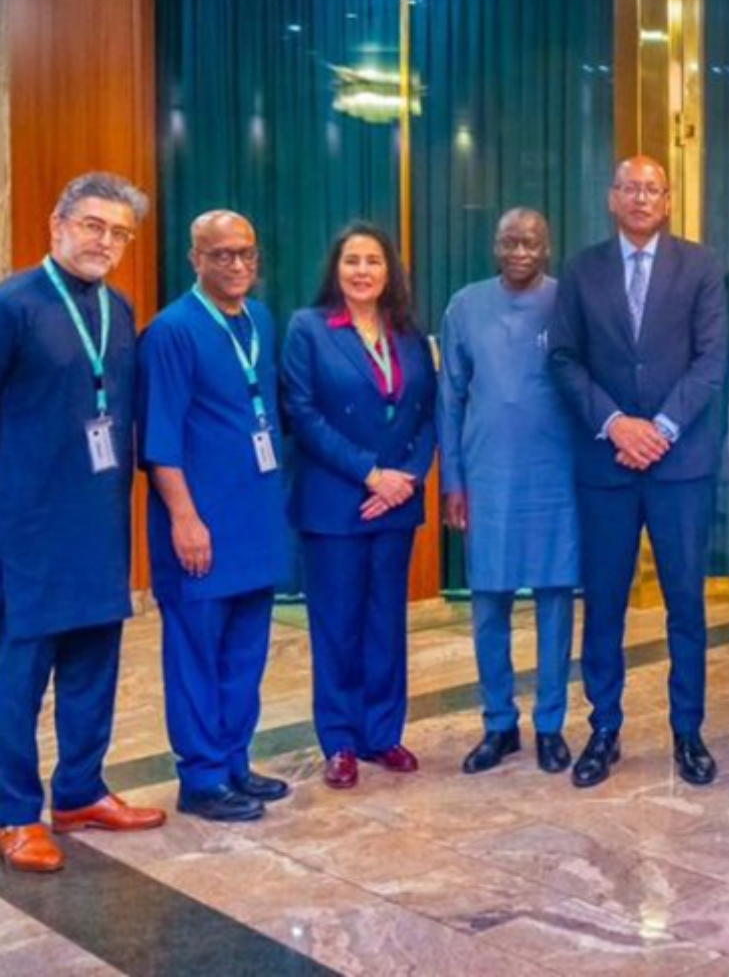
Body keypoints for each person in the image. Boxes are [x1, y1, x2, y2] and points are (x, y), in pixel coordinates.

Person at [0, 173, 167, 873]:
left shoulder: (119, 308)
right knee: (18, 677)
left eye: (119, 233)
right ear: (57, 223)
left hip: (99, 522)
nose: (106, 242)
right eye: (93, 225)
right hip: (26, 528)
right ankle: (14, 814)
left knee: (95, 663)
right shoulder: (14, 304)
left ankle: (79, 792)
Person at [549, 156, 728, 789]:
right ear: (612, 198)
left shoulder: (700, 266)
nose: (641, 198)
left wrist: (662, 428)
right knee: (604, 603)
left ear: (668, 200)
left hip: (681, 467)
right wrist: (616, 423)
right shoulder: (582, 269)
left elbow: (711, 360)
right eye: (630, 187)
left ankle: (688, 731)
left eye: (652, 189)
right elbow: (564, 359)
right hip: (607, 464)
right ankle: (604, 728)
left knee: (686, 603)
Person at [140, 210, 294, 822]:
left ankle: (234, 762)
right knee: (196, 655)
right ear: (195, 259)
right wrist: (184, 517)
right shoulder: (172, 331)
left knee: (245, 653)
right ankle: (201, 777)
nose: (237, 265)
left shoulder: (259, 319)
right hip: (200, 525)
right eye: (222, 254)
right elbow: (159, 439)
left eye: (246, 253)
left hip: (254, 518)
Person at [283, 222, 438, 791]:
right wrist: (370, 474)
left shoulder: (409, 334)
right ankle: (341, 741)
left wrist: (408, 478)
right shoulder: (309, 328)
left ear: (389, 270)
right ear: (336, 268)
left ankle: (383, 733)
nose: (363, 271)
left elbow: (429, 414)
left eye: (374, 260)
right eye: (352, 260)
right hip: (335, 502)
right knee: (337, 626)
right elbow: (302, 413)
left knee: (385, 622)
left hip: (396, 502)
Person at [439, 209, 580, 777]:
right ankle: (499, 722)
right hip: (487, 476)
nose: (520, 251)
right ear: (495, 246)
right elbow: (449, 398)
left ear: (548, 247)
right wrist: (452, 480)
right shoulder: (465, 306)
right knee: (488, 603)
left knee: (555, 600)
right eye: (509, 242)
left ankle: (550, 724)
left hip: (556, 475)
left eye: (531, 242)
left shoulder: (568, 302)